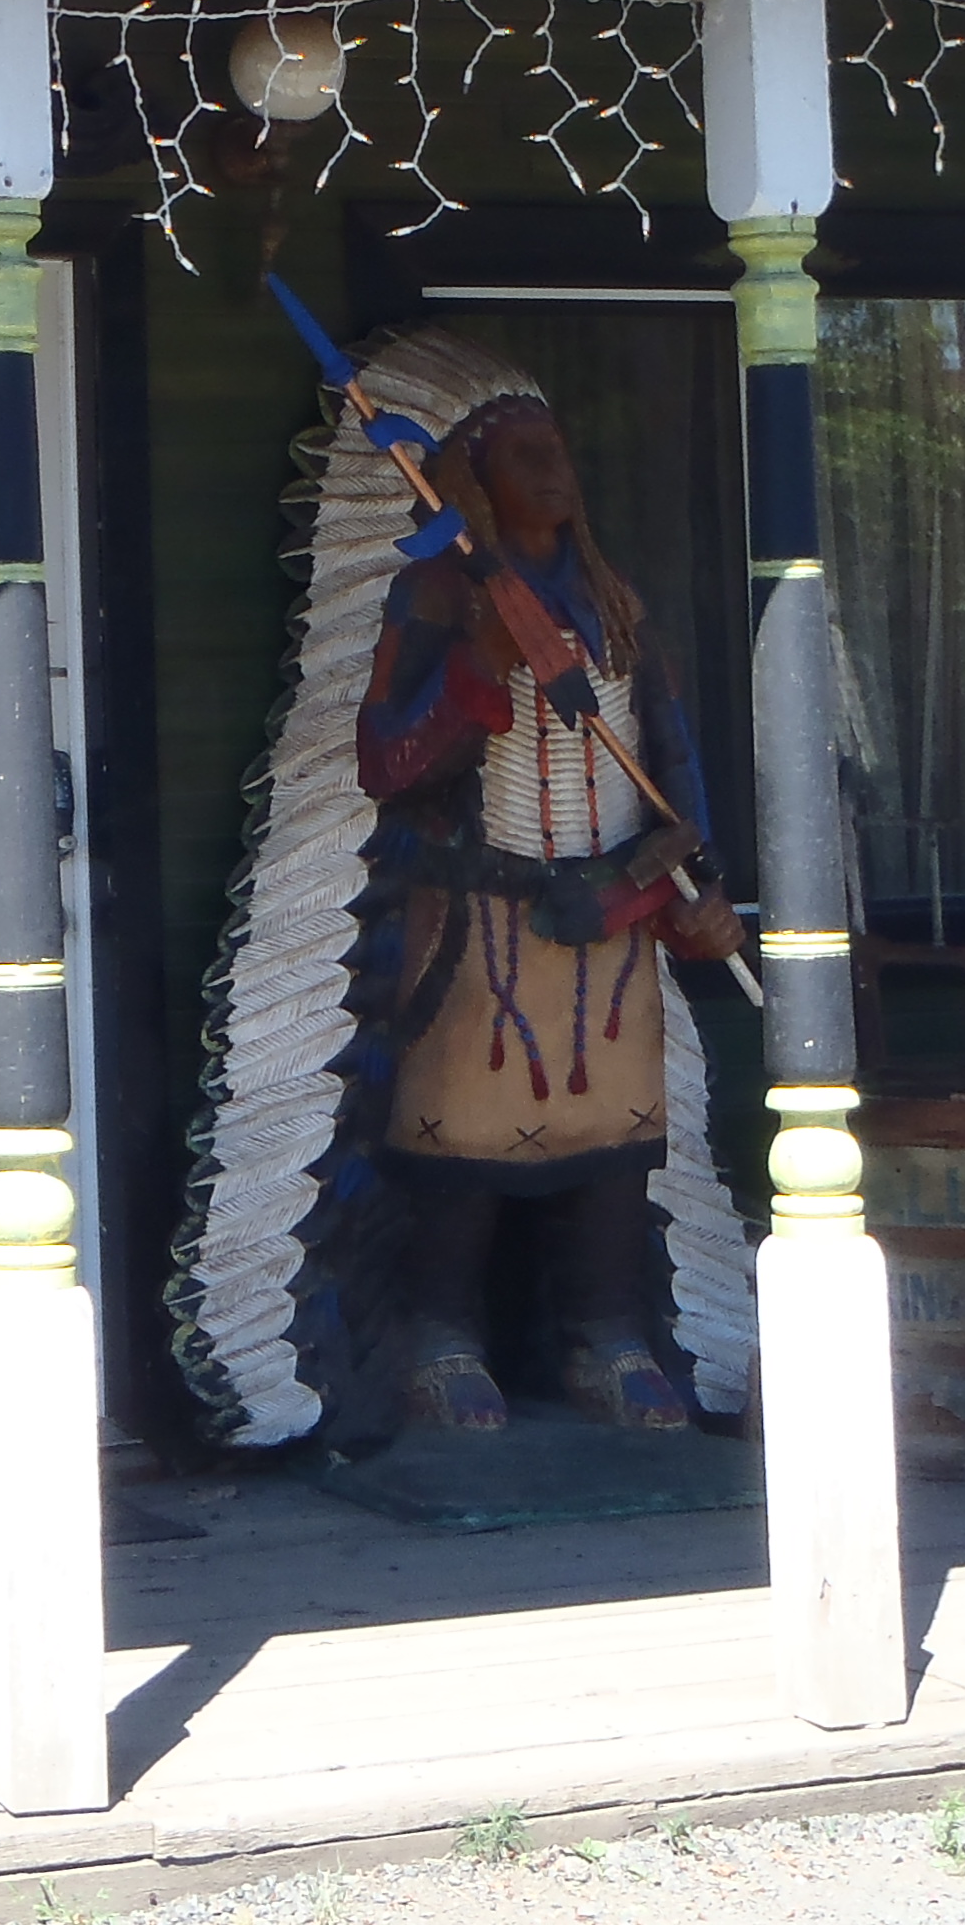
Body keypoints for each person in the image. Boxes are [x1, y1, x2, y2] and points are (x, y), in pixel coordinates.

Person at [346, 351, 744, 1435]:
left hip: (616, 906)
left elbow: (672, 765)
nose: (552, 469)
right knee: (465, 1132)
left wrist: (694, 884)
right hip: (480, 913)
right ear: (475, 481)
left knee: (613, 1134)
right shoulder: (437, 595)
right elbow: (388, 762)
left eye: (557, 449)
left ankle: (606, 1335)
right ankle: (440, 1336)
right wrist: (480, 659)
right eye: (524, 455)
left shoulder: (617, 606)